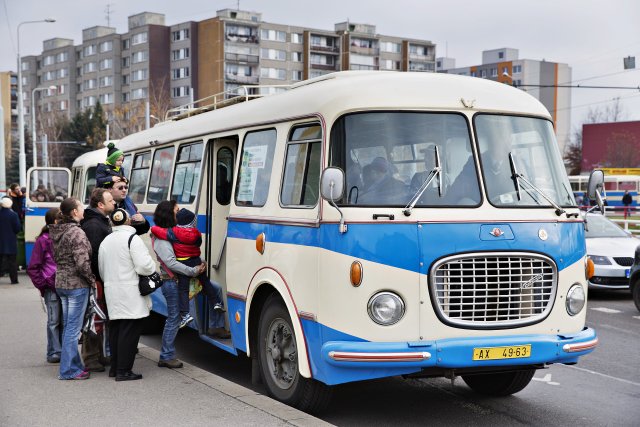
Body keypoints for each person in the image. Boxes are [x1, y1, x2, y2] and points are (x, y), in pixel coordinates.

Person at [152, 202, 222, 369]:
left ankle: (215, 327)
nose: (180, 212)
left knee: (216, 289)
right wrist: (194, 270)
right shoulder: (162, 238)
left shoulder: (177, 233)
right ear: (168, 214)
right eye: (177, 210)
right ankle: (166, 356)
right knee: (174, 318)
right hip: (173, 281)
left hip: (187, 276)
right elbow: (171, 263)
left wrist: (199, 264)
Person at [99, 208, 156, 381]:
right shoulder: (133, 239)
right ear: (128, 221)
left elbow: (102, 269)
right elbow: (145, 266)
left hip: (112, 291)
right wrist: (152, 266)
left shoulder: (106, 241)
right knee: (129, 332)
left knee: (116, 331)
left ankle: (115, 368)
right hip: (130, 292)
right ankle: (124, 370)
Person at [150, 207, 226, 331]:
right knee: (206, 283)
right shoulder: (196, 233)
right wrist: (198, 264)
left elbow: (156, 230)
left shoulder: (173, 233)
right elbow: (197, 244)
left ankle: (186, 314)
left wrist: (153, 228)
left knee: (183, 290)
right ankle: (216, 302)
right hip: (194, 261)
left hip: (184, 265)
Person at [49, 197, 95, 380]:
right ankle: (69, 370)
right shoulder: (77, 233)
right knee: (73, 329)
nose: (83, 210)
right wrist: (91, 279)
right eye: (81, 207)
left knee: (69, 326)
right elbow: (82, 262)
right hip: (76, 285)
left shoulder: (57, 231)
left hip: (61, 283)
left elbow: (56, 258)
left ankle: (73, 365)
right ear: (75, 212)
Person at [79, 188, 116, 372]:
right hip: (96, 279)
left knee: (98, 318)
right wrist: (97, 278)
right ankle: (91, 358)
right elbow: (93, 255)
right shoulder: (94, 225)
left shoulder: (99, 220)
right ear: (100, 204)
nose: (114, 203)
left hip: (99, 278)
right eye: (110, 201)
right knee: (94, 319)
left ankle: (98, 355)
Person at [27, 208, 62, 363]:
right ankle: (54, 352)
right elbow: (33, 267)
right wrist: (44, 284)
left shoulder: (64, 237)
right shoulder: (43, 240)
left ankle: (60, 350)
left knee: (64, 321)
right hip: (51, 286)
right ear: (55, 221)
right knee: (54, 321)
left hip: (65, 285)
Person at [0, 197, 21, 284]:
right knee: (12, 261)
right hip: (10, 241)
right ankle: (14, 280)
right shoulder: (14, 215)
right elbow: (17, 228)